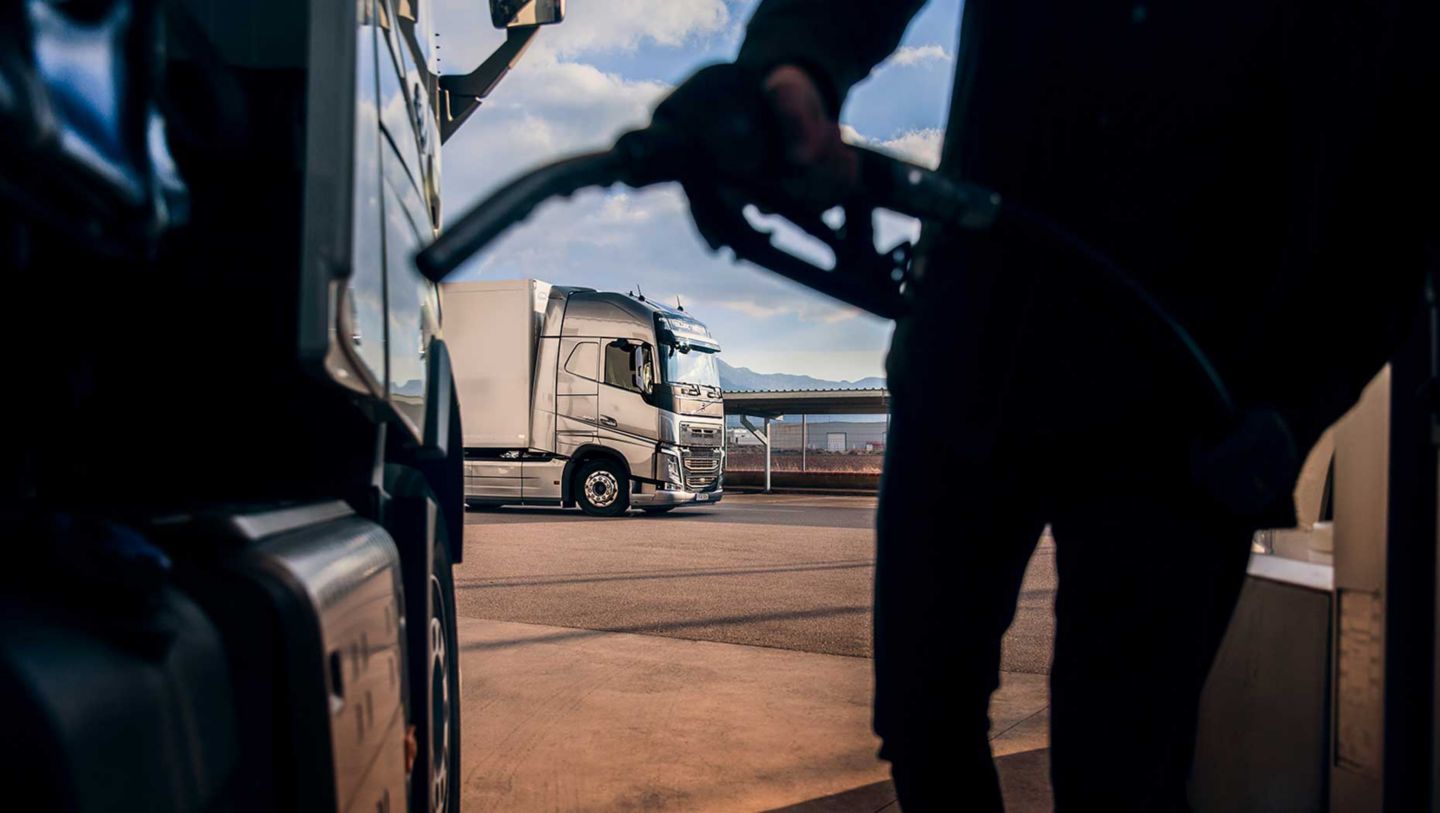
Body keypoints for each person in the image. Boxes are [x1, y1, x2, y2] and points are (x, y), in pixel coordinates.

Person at [655, 1, 1438, 809]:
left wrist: (1293, 405)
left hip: (1184, 416)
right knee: (925, 719)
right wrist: (793, 65)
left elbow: (1393, 188)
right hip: (973, 363)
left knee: (1120, 768)